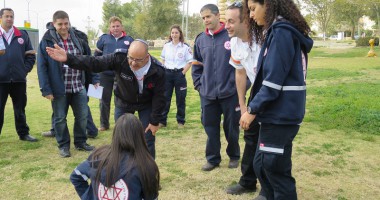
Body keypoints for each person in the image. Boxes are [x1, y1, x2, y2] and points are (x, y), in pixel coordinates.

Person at [45, 39, 166, 159]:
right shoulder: (120, 58)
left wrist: (154, 121)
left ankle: (148, 172)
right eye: (131, 58)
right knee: (121, 138)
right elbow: (94, 62)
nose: (133, 63)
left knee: (148, 137)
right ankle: (121, 168)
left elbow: (160, 97)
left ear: (147, 57)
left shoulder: (158, 70)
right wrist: (68, 58)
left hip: (146, 104)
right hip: (124, 102)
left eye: (138, 60)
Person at [241, 0, 313, 199]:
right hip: (275, 113)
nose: (252, 15)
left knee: (275, 169)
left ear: (269, 5)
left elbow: (272, 83)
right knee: (262, 164)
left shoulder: (282, 33)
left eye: (254, 9)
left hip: (280, 113)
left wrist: (252, 110)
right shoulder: (277, 32)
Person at [37, 10, 95, 158]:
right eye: (60, 24)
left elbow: (89, 61)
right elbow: (41, 66)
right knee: (60, 118)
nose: (63, 27)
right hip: (59, 89)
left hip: (78, 85)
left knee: (82, 116)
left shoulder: (79, 38)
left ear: (69, 22)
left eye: (66, 23)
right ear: (54, 24)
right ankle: (63, 146)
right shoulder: (47, 40)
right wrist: (46, 89)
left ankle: (81, 142)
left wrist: (94, 80)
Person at [192, 4, 241, 171]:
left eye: (208, 16)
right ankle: (212, 159)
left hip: (230, 94)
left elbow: (243, 66)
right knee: (210, 128)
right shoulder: (200, 40)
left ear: (217, 15)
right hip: (208, 95)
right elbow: (196, 66)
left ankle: (234, 156)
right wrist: (199, 85)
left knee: (231, 128)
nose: (206, 20)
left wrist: (238, 88)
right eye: (203, 18)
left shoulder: (231, 36)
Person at [70, 113, 160, 200]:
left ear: (116, 134)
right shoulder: (145, 164)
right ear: (140, 136)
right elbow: (151, 197)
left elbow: (76, 175)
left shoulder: (99, 156)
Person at [224, 1, 261, 195]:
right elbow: (240, 73)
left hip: (274, 94)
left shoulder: (265, 37)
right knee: (250, 137)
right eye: (225, 21)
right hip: (257, 91)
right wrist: (243, 106)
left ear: (245, 20)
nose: (226, 25)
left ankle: (269, 188)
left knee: (269, 142)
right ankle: (247, 182)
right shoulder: (235, 43)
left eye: (231, 21)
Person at [0, 8, 38, 142]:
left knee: (20, 109)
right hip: (1, 81)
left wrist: (24, 70)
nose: (9, 19)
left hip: (19, 80)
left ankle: (23, 133)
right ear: (1, 18)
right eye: (6, 16)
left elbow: (31, 56)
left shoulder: (22, 34)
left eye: (11, 16)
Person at [95, 16, 134, 132]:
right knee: (103, 100)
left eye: (118, 26)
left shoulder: (129, 40)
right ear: (109, 28)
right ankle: (104, 124)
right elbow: (96, 58)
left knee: (121, 100)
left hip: (122, 76)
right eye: (113, 26)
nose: (115, 28)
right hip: (105, 75)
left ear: (122, 27)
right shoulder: (103, 39)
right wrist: (95, 75)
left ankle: (121, 124)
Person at [159, 25, 193, 128]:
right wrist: (164, 69)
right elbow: (163, 58)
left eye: (176, 33)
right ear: (170, 34)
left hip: (179, 75)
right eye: (172, 33)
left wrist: (182, 72)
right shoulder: (166, 46)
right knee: (165, 98)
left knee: (181, 99)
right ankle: (162, 121)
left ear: (180, 34)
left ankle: (180, 121)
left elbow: (190, 61)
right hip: (167, 74)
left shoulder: (185, 47)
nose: (174, 35)